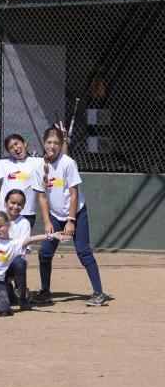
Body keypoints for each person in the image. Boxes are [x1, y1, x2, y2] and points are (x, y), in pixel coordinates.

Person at [31, 127, 111, 307]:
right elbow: (41, 197)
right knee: (44, 252)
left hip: (76, 214)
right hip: (54, 215)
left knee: (83, 251)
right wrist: (47, 222)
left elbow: (74, 194)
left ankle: (99, 293)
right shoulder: (39, 166)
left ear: (61, 144)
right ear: (44, 143)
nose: (52, 146)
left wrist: (71, 220)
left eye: (56, 143)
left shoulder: (68, 163)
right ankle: (45, 292)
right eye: (49, 142)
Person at [0, 206, 69, 317]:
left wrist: (52, 235)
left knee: (3, 311)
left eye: (0, 226)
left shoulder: (13, 244)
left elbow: (31, 239)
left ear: (8, 225)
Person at [0, 125, 44, 228]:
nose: (15, 148)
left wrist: (63, 141)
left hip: (26, 213)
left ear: (25, 143)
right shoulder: (5, 163)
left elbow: (62, 161)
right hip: (4, 213)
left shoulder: (37, 162)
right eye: (11, 148)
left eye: (16, 144)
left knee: (22, 243)